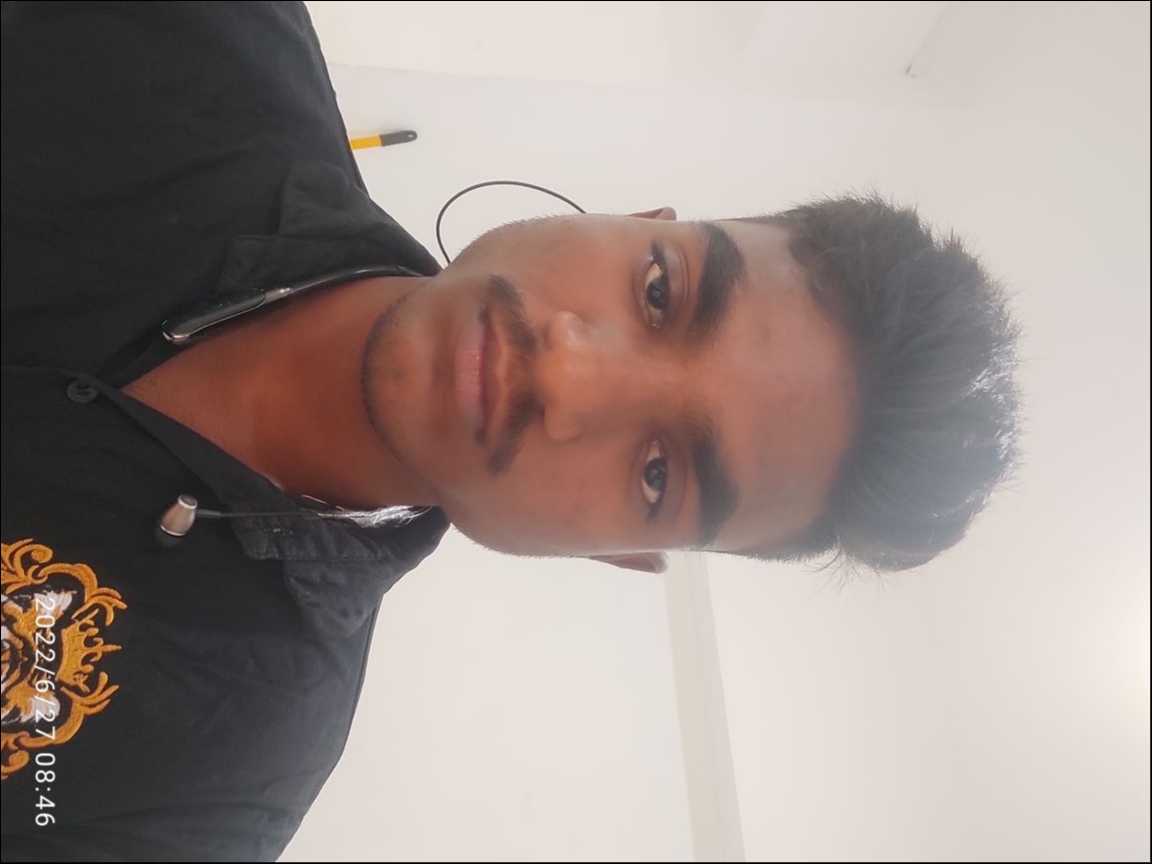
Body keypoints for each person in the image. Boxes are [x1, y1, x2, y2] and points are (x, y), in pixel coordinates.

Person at [0, 2, 1020, 860]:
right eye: (659, 291)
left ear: (621, 551)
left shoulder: (212, 783)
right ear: (639, 220)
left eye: (658, 473)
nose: (568, 375)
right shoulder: (196, 37)